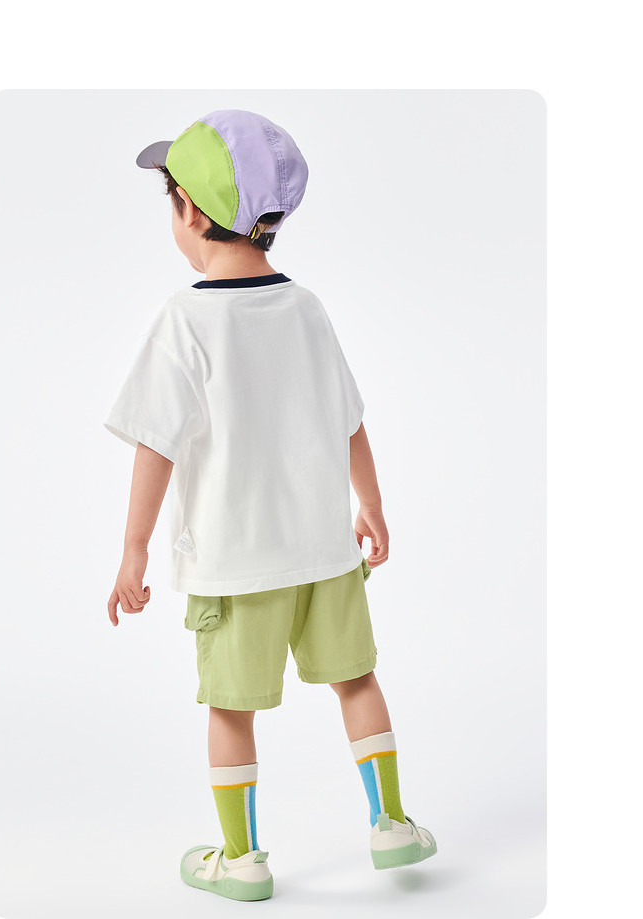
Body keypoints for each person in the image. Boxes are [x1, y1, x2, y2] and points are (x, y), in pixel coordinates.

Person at [104, 109, 437, 901]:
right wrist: (371, 504)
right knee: (356, 680)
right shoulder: (307, 307)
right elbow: (348, 419)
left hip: (234, 564)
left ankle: (241, 858)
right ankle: (392, 822)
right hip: (325, 553)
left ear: (188, 209)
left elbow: (155, 445)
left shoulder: (185, 319)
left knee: (230, 706)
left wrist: (134, 548)